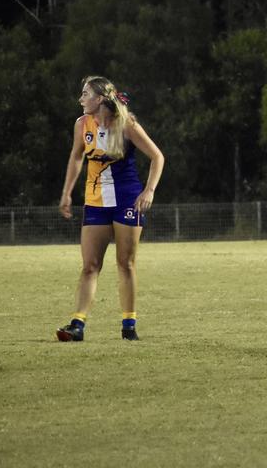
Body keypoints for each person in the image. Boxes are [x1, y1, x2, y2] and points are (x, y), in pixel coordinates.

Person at [56, 76, 165, 342]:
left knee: (125, 263)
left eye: (85, 94)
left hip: (127, 200)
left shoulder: (126, 124)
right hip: (95, 202)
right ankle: (77, 325)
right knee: (90, 265)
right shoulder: (82, 125)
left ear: (101, 99)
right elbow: (76, 156)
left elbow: (157, 156)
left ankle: (129, 325)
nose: (80, 99)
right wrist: (67, 192)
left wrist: (149, 190)